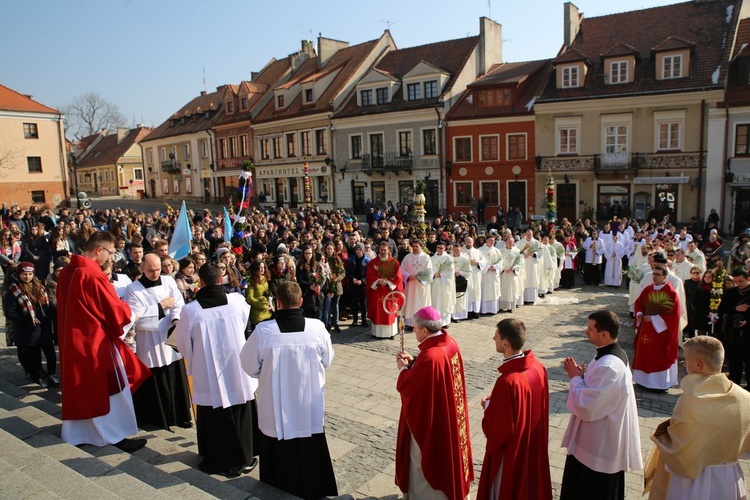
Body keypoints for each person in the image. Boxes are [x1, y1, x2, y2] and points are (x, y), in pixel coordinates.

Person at [240, 281, 337, 499]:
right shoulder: (317, 328)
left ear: (277, 303)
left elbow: (248, 365)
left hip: (276, 411)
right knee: (309, 449)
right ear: (301, 301)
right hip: (308, 407)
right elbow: (328, 360)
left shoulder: (263, 331)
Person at [57, 231, 151, 452]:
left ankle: (78, 432)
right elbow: (114, 310)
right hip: (94, 343)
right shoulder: (93, 274)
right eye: (109, 253)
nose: (110, 257)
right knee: (111, 388)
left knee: (81, 388)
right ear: (99, 250)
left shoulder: (67, 271)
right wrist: (129, 314)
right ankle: (113, 435)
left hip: (71, 340)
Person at [174, 263, 259, 477]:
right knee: (240, 409)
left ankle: (217, 459)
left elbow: (183, 343)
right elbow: (242, 325)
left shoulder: (190, 310)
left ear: (200, 281)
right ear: (220, 278)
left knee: (214, 414)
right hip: (236, 367)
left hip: (209, 371)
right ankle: (245, 456)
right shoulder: (237, 302)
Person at [644, 336, 750, 500]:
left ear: (698, 364)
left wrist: (662, 437)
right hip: (730, 476)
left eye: (686, 360)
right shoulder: (744, 396)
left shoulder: (692, 399)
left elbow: (680, 448)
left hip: (693, 480)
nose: (684, 365)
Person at [561, 310, 642, 500]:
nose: (586, 332)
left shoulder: (609, 366)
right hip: (595, 442)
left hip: (598, 448)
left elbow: (588, 406)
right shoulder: (607, 355)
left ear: (604, 334)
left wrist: (575, 379)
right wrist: (582, 378)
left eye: (590, 329)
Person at [395, 306, 473, 499]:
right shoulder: (450, 343)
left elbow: (413, 388)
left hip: (432, 422)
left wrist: (403, 370)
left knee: (425, 459)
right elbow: (434, 377)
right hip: (449, 414)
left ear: (425, 330)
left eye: (415, 328)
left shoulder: (430, 357)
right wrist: (414, 363)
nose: (413, 331)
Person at [478, 318, 551, 500]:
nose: (492, 338)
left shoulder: (508, 381)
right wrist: (496, 401)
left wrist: (489, 406)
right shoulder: (538, 368)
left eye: (495, 336)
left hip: (513, 452)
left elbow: (501, 428)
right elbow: (528, 401)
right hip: (533, 442)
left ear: (506, 343)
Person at [125, 253, 193, 430]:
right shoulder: (133, 289)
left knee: (175, 375)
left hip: (169, 336)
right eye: (151, 270)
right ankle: (160, 418)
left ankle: (180, 416)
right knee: (158, 380)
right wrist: (160, 306)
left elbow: (178, 303)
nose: (155, 274)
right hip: (150, 341)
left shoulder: (169, 281)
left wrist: (176, 319)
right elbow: (137, 318)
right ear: (142, 269)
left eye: (157, 269)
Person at [3, 261, 58, 388]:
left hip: (44, 326)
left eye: (29, 274)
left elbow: (46, 305)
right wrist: (27, 320)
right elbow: (10, 312)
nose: (27, 277)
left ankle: (52, 374)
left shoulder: (39, 286)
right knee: (34, 355)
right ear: (19, 274)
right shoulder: (14, 290)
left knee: (50, 353)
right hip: (29, 329)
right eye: (24, 274)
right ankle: (36, 375)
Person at [634, 264, 681, 390]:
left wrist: (654, 318)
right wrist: (639, 314)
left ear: (665, 276)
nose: (654, 276)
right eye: (653, 273)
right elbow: (639, 303)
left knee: (657, 354)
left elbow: (673, 315)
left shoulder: (671, 293)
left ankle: (658, 384)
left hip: (661, 331)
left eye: (657, 274)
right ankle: (642, 380)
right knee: (644, 353)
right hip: (646, 328)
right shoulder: (648, 289)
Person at [366, 240, 404, 338]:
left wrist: (387, 282)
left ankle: (391, 333)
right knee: (377, 310)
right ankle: (376, 333)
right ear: (379, 250)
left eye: (385, 250)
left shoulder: (394, 262)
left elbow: (398, 277)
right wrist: (378, 281)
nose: (383, 252)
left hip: (389, 291)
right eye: (381, 250)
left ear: (389, 250)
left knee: (389, 310)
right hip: (377, 291)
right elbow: (369, 276)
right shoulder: (373, 262)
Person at [718, 269, 750, 388]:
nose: (738, 284)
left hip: (748, 334)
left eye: (741, 281)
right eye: (736, 281)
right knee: (734, 362)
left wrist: (747, 321)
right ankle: (734, 387)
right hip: (733, 333)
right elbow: (722, 309)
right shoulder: (730, 293)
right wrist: (736, 308)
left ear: (748, 279)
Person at [401, 239, 433, 327]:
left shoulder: (426, 257)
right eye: (413, 246)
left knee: (421, 303)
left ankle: (422, 323)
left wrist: (420, 278)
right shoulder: (407, 257)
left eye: (417, 246)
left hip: (421, 285)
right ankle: (410, 323)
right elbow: (402, 269)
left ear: (421, 247)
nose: (415, 248)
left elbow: (429, 271)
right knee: (410, 303)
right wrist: (408, 276)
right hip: (410, 285)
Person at [430, 240, 455, 327]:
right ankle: (435, 320)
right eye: (438, 248)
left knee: (444, 301)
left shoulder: (448, 259)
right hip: (435, 283)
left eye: (441, 248)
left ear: (445, 248)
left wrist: (441, 274)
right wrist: (434, 273)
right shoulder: (432, 258)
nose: (439, 249)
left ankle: (445, 322)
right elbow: (429, 269)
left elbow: (451, 271)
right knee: (435, 300)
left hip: (444, 283)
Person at [515, 229, 543, 304]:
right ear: (525, 234)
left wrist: (534, 254)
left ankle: (531, 298)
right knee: (524, 279)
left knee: (532, 279)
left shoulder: (536, 243)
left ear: (532, 234)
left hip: (532, 264)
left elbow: (540, 252)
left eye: (530, 234)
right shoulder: (520, 243)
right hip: (523, 263)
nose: (529, 236)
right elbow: (515, 251)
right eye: (527, 234)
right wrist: (522, 255)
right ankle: (523, 299)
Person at [345, 243, 369, 327]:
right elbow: (348, 271)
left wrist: (362, 281)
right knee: (354, 303)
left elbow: (368, 274)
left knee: (363, 303)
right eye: (356, 250)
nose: (358, 251)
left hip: (363, 285)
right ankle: (354, 320)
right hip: (353, 284)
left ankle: (363, 320)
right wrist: (352, 278)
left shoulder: (367, 260)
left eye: (360, 249)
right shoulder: (351, 260)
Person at [479, 233, 502, 315]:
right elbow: (479, 262)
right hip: (485, 275)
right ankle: (484, 310)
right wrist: (487, 267)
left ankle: (493, 309)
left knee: (493, 291)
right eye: (490, 240)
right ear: (486, 240)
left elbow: (501, 261)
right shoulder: (480, 250)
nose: (492, 242)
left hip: (493, 274)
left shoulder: (497, 250)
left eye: (493, 240)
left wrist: (495, 267)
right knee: (485, 291)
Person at [462, 236, 485, 317]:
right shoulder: (461, 251)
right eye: (467, 242)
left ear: (473, 242)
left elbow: (484, 261)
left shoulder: (477, 252)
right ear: (464, 242)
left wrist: (477, 262)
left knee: (475, 292)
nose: (469, 244)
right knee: (466, 292)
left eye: (470, 242)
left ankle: (475, 311)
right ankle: (466, 312)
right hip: (465, 276)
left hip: (475, 276)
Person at [498, 235, 522, 313]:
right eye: (509, 242)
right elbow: (498, 261)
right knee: (503, 289)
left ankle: (510, 307)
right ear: (506, 242)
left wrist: (514, 268)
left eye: (512, 242)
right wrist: (503, 268)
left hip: (512, 273)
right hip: (504, 273)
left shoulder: (518, 251)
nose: (510, 243)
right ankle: (501, 306)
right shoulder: (501, 251)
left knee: (512, 289)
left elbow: (520, 262)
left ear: (514, 242)